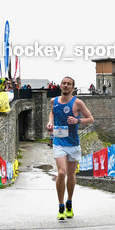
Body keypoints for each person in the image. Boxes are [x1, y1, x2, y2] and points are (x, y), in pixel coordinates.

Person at [46, 76, 94, 220]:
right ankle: (60, 206)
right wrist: (50, 123)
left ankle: (69, 202)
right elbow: (53, 112)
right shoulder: (53, 101)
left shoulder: (78, 103)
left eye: (69, 84)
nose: (66, 86)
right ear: (60, 86)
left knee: (71, 174)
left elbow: (90, 119)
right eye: (63, 83)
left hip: (73, 143)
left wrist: (77, 120)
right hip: (59, 142)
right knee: (61, 173)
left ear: (73, 88)